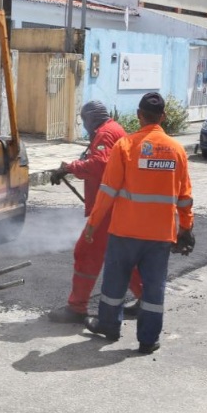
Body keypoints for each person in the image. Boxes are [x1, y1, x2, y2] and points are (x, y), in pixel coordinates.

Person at [82, 92, 195, 354]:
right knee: (153, 288)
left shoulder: (125, 146)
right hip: (160, 235)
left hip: (125, 231)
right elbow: (185, 197)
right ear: (163, 117)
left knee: (115, 283)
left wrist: (93, 224)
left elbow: (107, 190)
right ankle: (148, 339)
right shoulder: (177, 150)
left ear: (138, 115)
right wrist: (186, 228)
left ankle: (109, 326)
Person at [47, 100, 143, 324]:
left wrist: (69, 168)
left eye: (84, 120)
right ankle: (147, 299)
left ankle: (77, 307)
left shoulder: (105, 134)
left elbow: (99, 165)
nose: (84, 124)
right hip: (117, 205)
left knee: (86, 254)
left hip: (108, 208)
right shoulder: (113, 129)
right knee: (124, 258)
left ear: (91, 118)